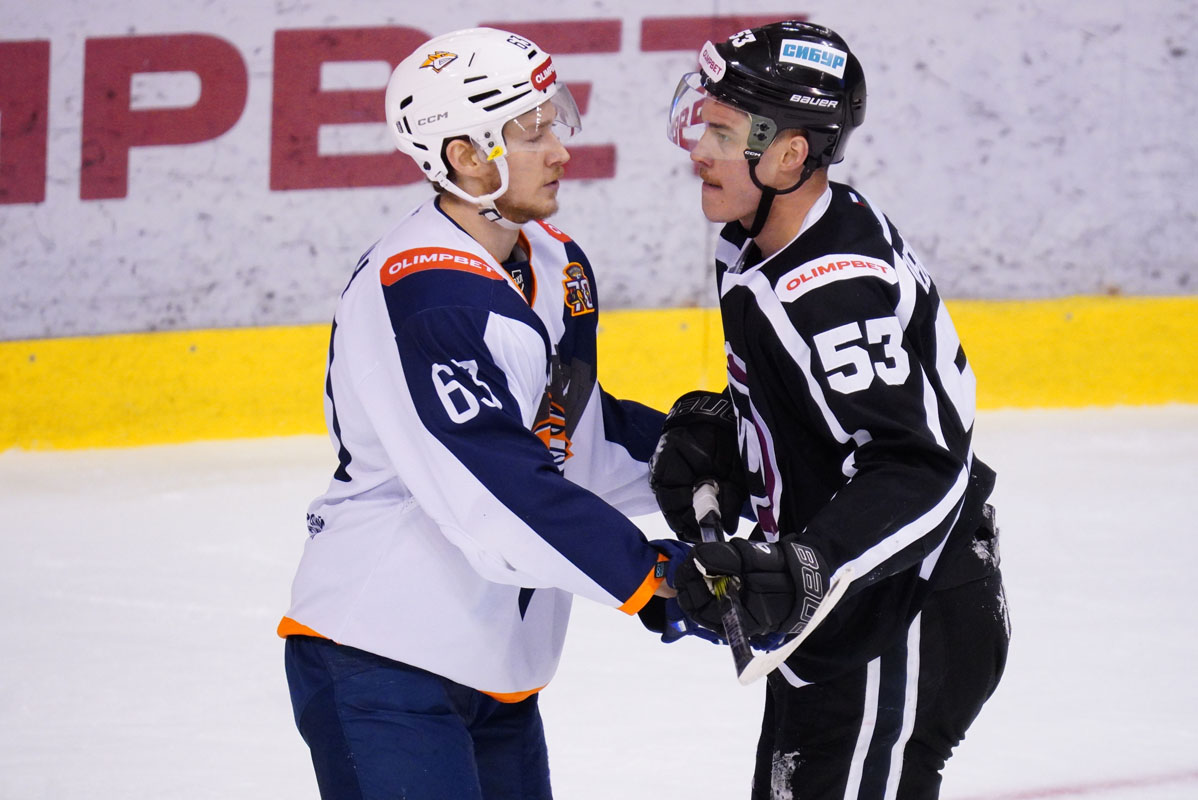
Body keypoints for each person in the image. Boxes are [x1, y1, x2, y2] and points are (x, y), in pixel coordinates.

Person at [277, 27, 690, 800]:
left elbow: (570, 436)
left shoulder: (554, 262)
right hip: (382, 658)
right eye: (532, 134)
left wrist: (711, 459)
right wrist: (651, 574)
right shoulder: (430, 295)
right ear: (466, 156)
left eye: (555, 122)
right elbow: (496, 492)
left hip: (495, 664)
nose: (560, 150)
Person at [650, 20, 1010, 799]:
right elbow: (829, 415)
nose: (698, 148)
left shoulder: (831, 288)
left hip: (899, 611)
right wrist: (736, 442)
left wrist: (811, 564)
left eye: (722, 132)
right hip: (844, 606)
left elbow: (918, 466)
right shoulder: (764, 236)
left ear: (788, 155)